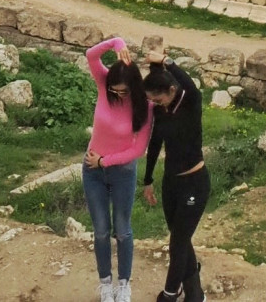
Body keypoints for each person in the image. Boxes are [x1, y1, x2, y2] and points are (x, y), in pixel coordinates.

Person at [83, 37, 153, 302]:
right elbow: (91, 55)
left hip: (121, 171)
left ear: (133, 87)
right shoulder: (104, 84)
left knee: (122, 230)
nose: (118, 95)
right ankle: (105, 284)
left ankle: (124, 284)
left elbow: (138, 150)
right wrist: (116, 42)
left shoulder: (144, 106)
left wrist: (105, 161)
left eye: (123, 91)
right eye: (114, 91)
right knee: (101, 230)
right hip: (92, 170)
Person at [142, 50, 210, 302]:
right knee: (179, 238)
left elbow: (191, 85)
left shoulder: (190, 101)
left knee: (178, 242)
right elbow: (155, 144)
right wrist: (148, 180)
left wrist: (166, 60)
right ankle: (194, 294)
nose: (156, 105)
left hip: (194, 182)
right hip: (171, 183)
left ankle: (170, 294)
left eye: (158, 100)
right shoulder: (161, 111)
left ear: (171, 90)